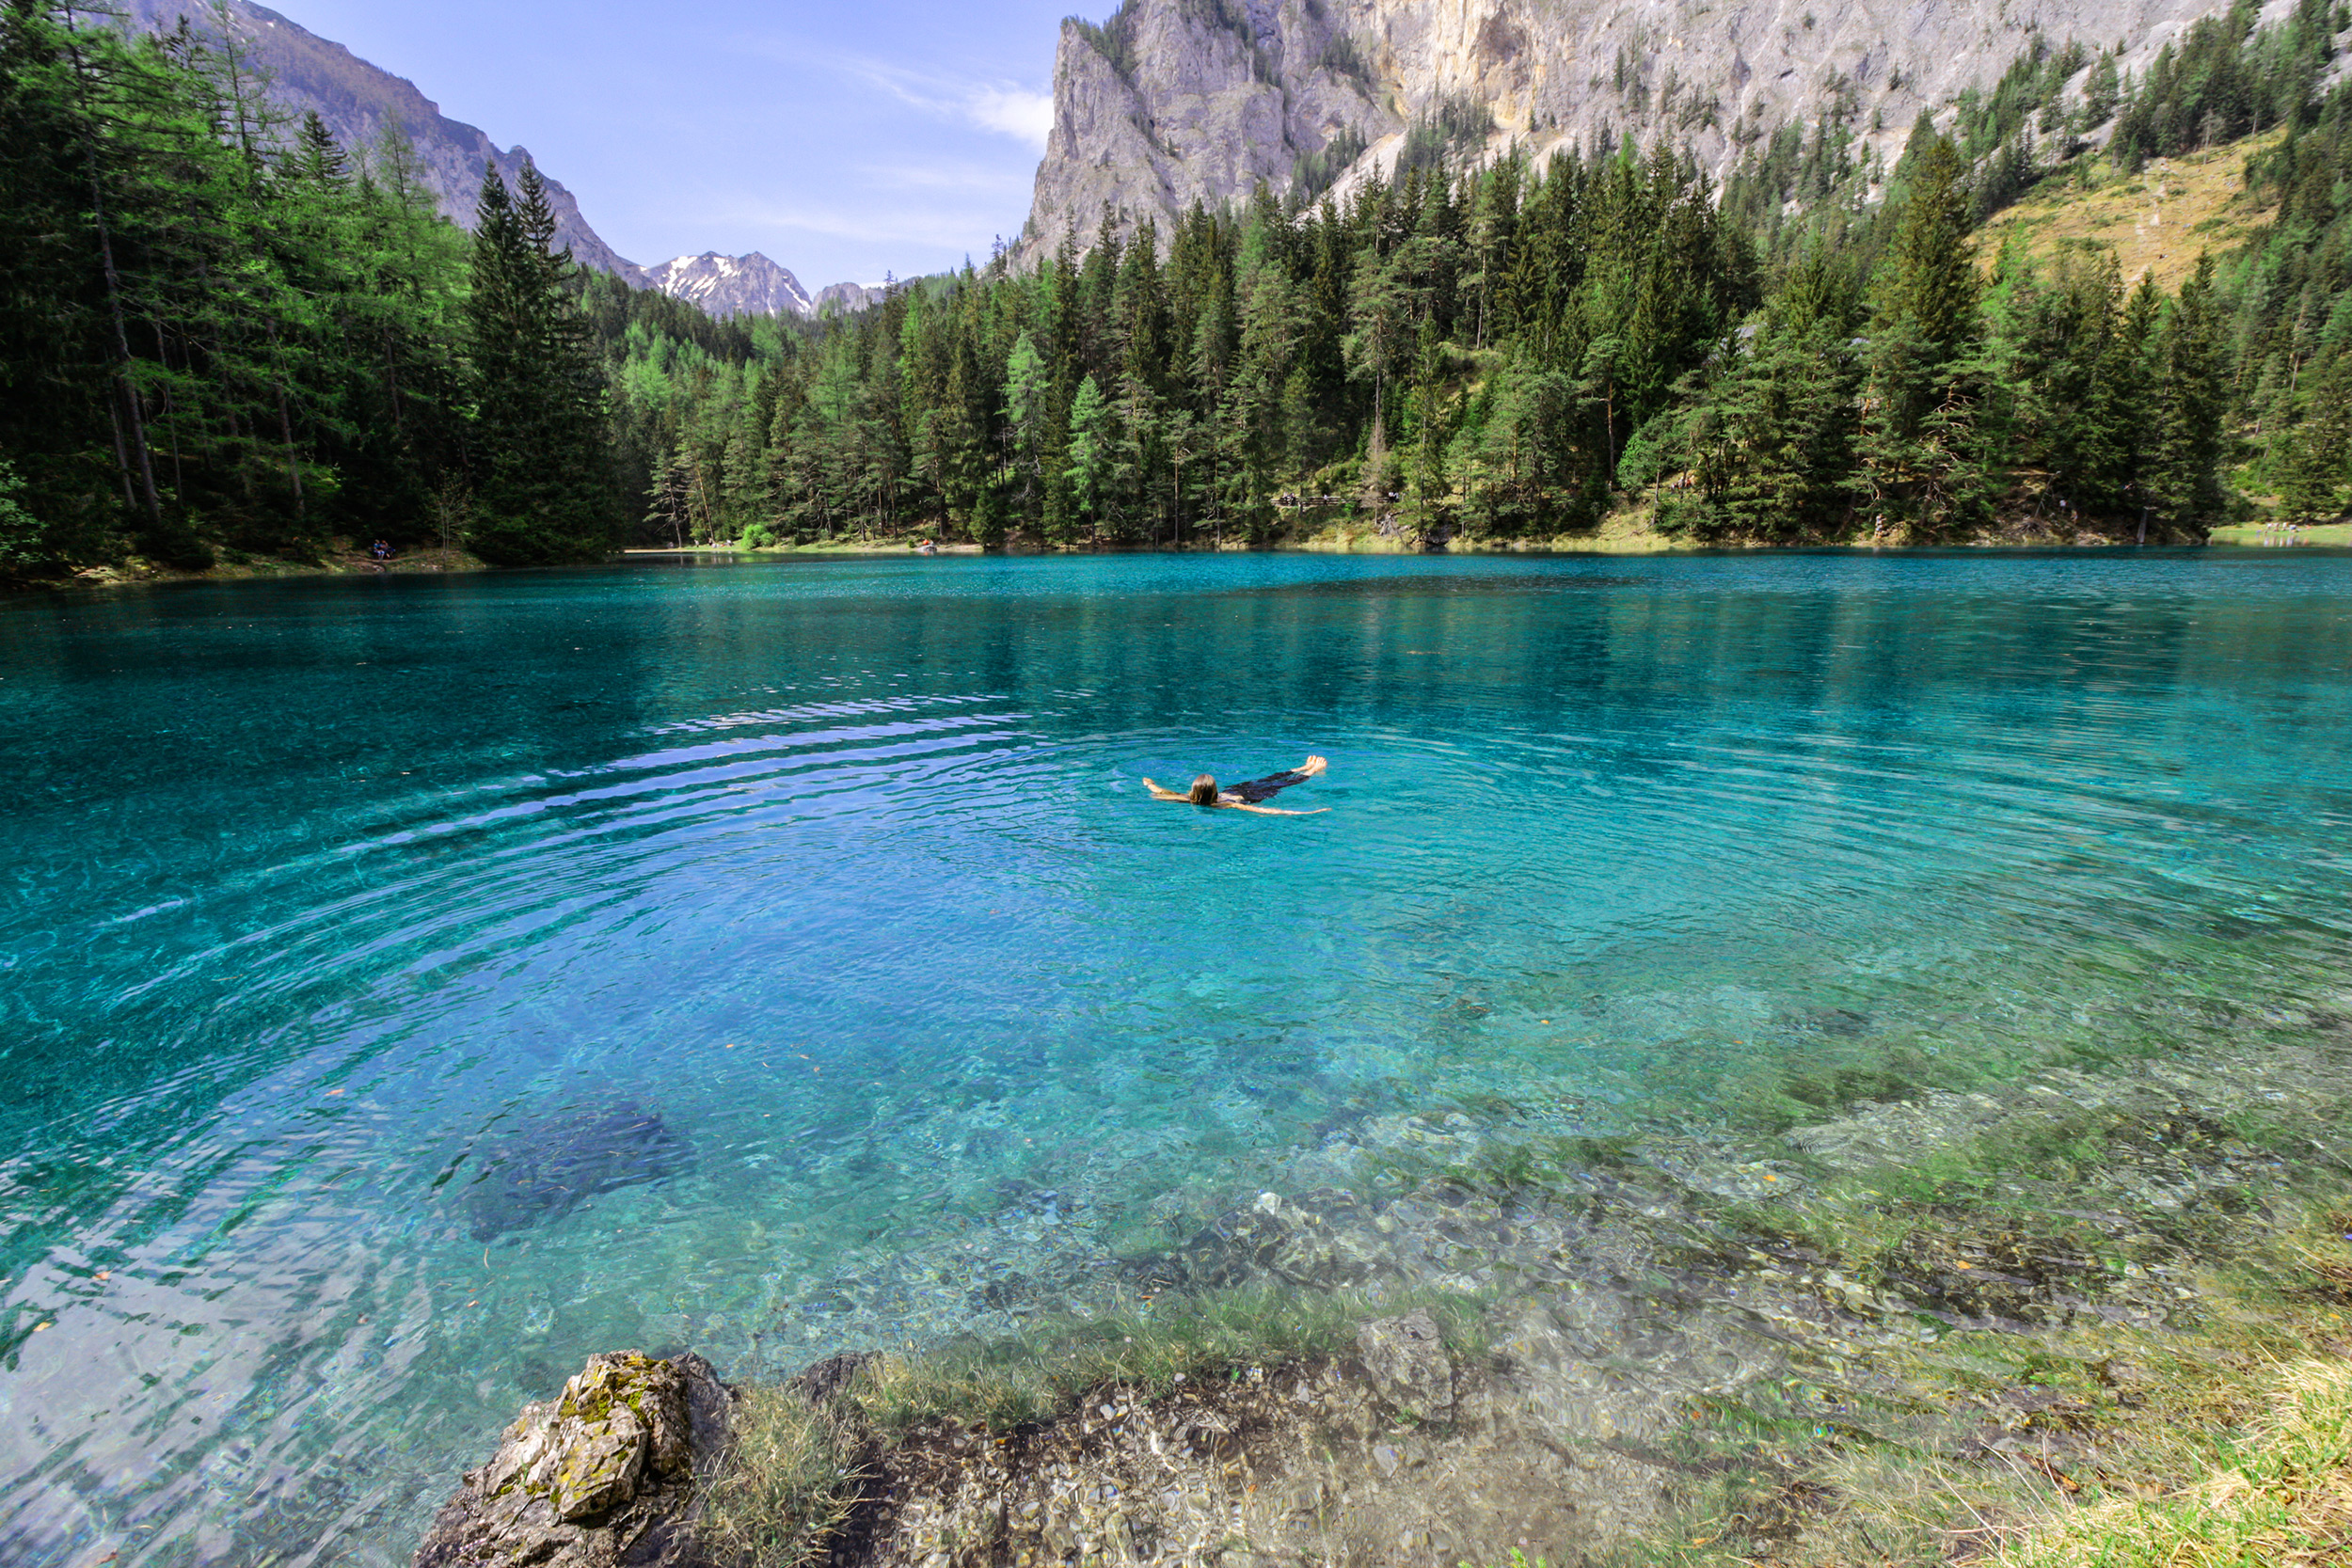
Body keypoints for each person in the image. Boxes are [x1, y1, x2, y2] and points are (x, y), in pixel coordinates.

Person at [1143, 755, 1328, 816]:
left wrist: (1150, 784)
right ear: (1214, 789)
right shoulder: (1224, 804)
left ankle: (1304, 768)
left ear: (1194, 789)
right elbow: (1267, 811)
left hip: (1240, 791)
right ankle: (1310, 770)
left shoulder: (1187, 798)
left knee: (1280, 783)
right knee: (1275, 781)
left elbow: (1161, 792)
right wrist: (1305, 813)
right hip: (1247, 794)